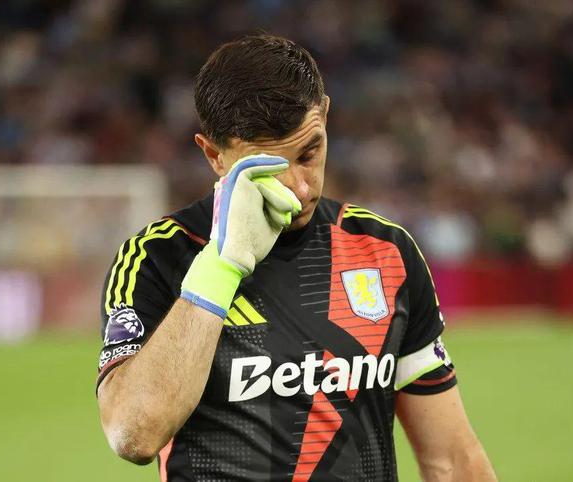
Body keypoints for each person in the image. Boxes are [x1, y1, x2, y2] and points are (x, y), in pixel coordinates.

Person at [96, 34, 496, 482]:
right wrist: (222, 266)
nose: (300, 188)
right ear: (214, 155)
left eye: (309, 153)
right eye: (267, 167)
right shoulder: (158, 256)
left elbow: (453, 461)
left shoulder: (384, 252)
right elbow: (134, 435)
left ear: (324, 113)